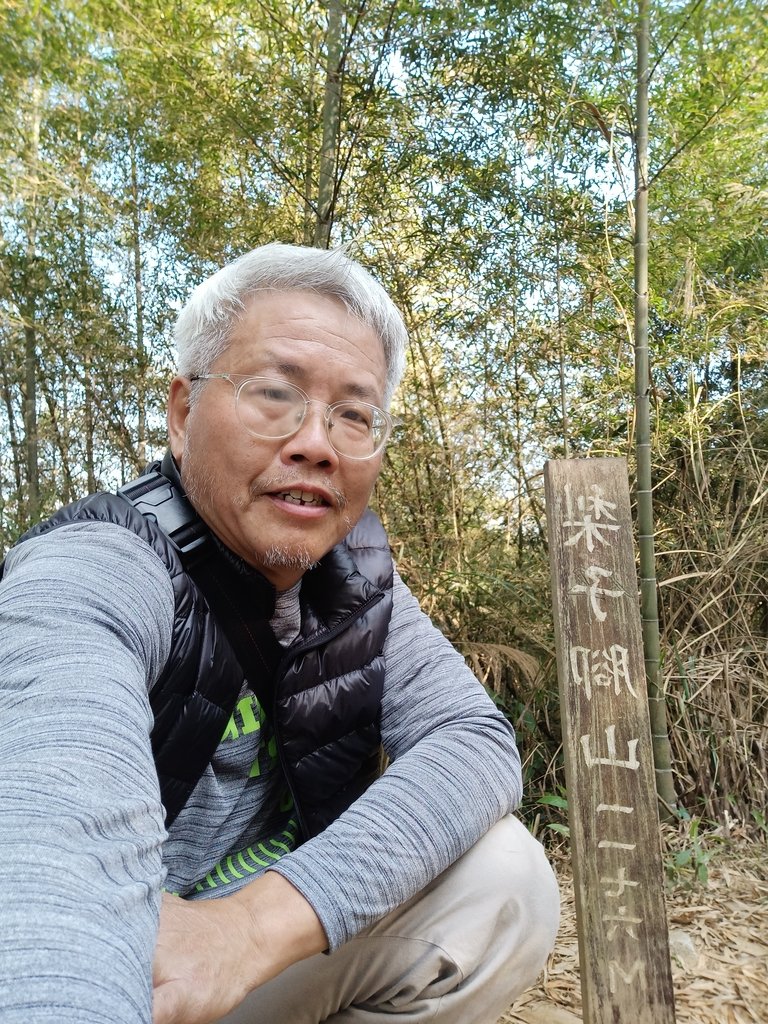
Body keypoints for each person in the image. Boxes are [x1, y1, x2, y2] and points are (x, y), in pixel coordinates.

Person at [0, 243, 559, 1024]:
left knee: (505, 880)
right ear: (183, 411)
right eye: (274, 394)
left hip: (233, 950)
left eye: (354, 415)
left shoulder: (354, 582)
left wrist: (250, 927)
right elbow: (54, 827)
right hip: (108, 955)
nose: (316, 443)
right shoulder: (99, 564)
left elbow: (471, 738)